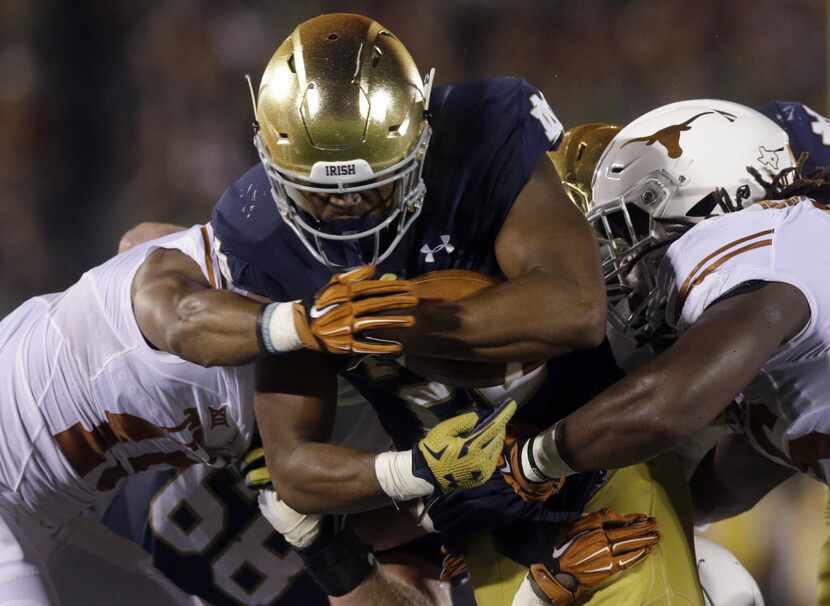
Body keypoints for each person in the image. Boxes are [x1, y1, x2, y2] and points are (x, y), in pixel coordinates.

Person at [198, 11, 706, 606]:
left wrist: (416, 318)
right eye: (320, 194)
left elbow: (576, 307)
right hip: (480, 522)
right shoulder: (261, 237)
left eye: (373, 186)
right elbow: (291, 465)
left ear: (421, 136)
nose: (350, 212)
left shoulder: (482, 133)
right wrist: (417, 470)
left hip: (595, 460)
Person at [504, 97, 830, 601]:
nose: (620, 273)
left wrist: (526, 466)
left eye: (625, 233)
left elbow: (665, 406)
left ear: (716, 204)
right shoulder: (778, 353)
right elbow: (735, 476)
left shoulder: (770, 241)